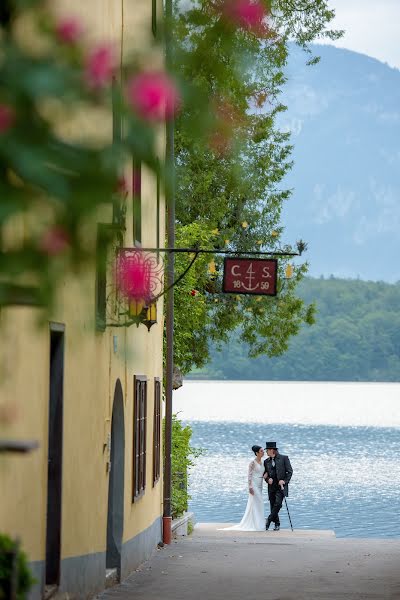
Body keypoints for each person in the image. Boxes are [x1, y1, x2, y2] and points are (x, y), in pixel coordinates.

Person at [220, 445, 265, 531]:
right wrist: (250, 486)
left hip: (260, 485)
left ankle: (259, 523)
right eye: (261, 451)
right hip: (254, 484)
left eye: (263, 451)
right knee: (257, 502)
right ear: (257, 453)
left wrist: (265, 475)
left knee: (258, 503)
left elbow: (262, 473)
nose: (263, 452)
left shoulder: (262, 462)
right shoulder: (252, 462)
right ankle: (254, 524)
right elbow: (249, 475)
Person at [264, 441, 293, 531]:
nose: (266, 452)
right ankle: (277, 524)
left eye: (267, 450)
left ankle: (268, 520)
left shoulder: (284, 458)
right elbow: (265, 474)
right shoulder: (266, 461)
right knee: (273, 505)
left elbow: (290, 472)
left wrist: (284, 481)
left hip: (281, 487)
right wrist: (268, 479)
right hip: (271, 487)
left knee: (278, 504)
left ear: (272, 450)